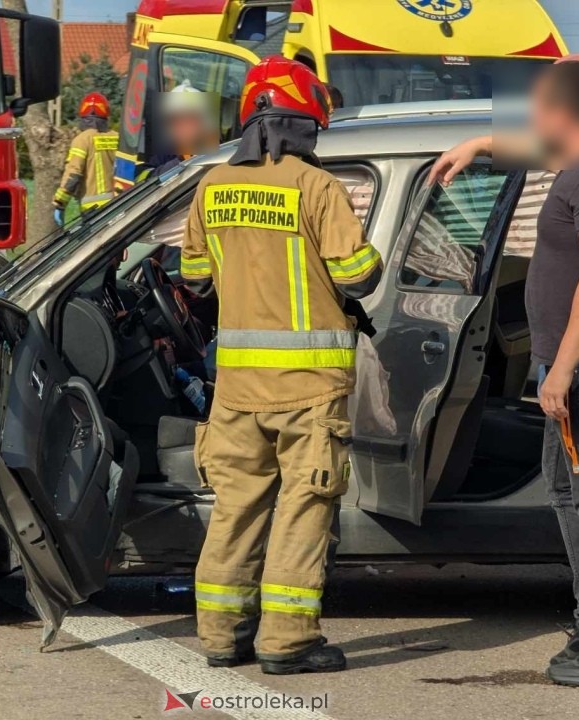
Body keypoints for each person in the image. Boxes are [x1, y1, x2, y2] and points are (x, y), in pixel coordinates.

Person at [430, 61, 579, 686]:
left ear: (563, 112)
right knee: (568, 494)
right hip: (574, 365)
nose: (531, 122)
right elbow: (537, 147)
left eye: (537, 109)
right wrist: (479, 144)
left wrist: (563, 367)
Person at [184, 55, 381, 675]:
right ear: (305, 125)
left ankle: (220, 635)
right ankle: (287, 643)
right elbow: (358, 275)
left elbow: (194, 278)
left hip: (237, 387)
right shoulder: (317, 188)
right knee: (303, 506)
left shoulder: (211, 187)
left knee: (236, 506)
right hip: (309, 388)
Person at [53, 92, 118, 225]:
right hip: (118, 203)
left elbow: (73, 174)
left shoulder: (82, 140)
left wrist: (60, 202)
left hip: (92, 208)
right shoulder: (117, 137)